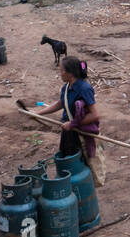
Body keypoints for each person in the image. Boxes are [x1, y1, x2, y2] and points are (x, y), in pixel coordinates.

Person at [45, 56, 105, 187]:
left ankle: (83, 191)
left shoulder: (84, 88)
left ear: (70, 73)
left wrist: (72, 124)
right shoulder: (66, 87)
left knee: (81, 165)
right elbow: (60, 103)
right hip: (68, 132)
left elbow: (95, 115)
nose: (60, 73)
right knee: (67, 163)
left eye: (61, 70)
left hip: (80, 133)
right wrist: (37, 113)